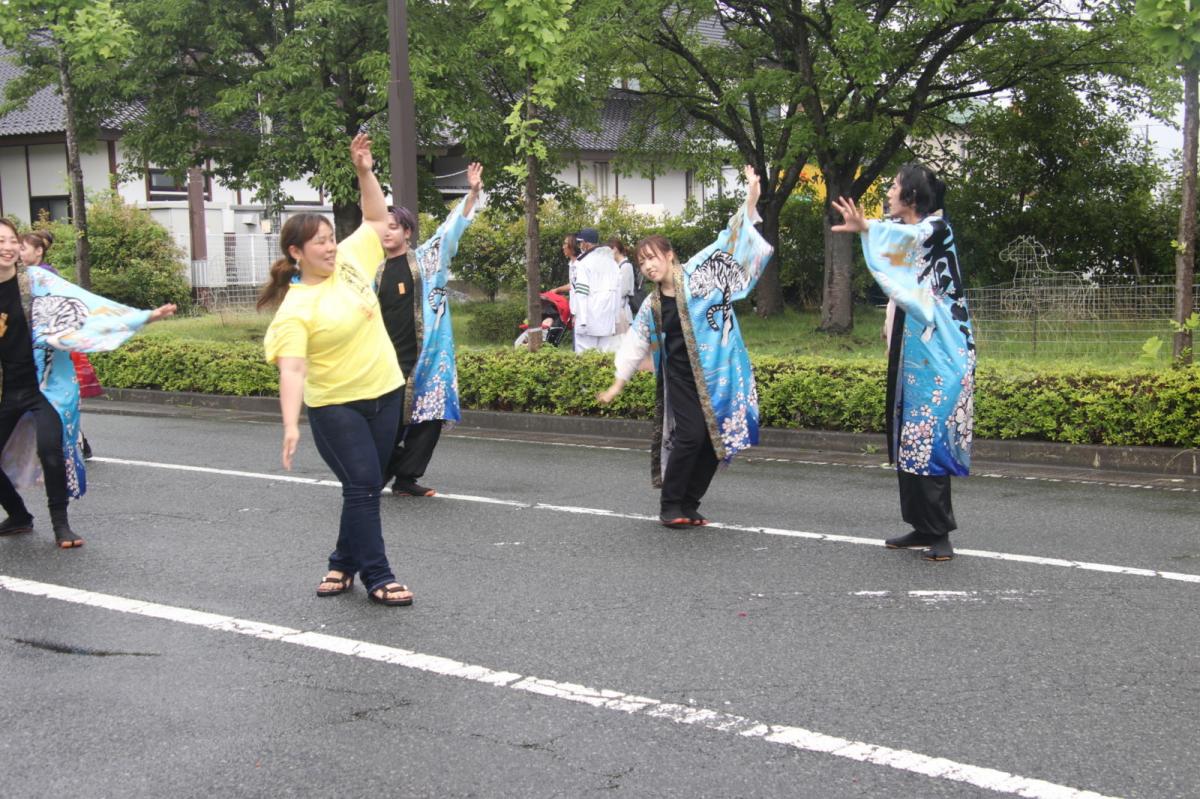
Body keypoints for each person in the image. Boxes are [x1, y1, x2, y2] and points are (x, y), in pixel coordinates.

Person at [260, 133, 413, 606]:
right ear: (296, 254)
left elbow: (375, 216)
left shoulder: (349, 261)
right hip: (336, 407)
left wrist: (365, 170)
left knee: (363, 484)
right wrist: (290, 424)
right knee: (365, 485)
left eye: (330, 239)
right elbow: (293, 368)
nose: (329, 247)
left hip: (386, 392)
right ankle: (378, 575)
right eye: (319, 244)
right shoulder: (295, 309)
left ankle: (341, 562)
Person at [597, 166, 773, 527]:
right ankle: (670, 504)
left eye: (653, 257)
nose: (647, 266)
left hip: (719, 373)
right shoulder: (651, 305)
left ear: (670, 255)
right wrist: (618, 381)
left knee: (716, 439)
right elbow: (635, 342)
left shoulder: (701, 274)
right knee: (691, 436)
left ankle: (690, 503)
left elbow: (731, 237)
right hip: (680, 377)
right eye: (642, 260)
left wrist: (751, 197)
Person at [0, 219, 176, 548]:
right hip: (7, 389)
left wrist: (142, 316)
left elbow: (87, 310)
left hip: (47, 386)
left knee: (51, 450)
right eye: (1, 241)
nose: (8, 247)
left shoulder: (37, 282)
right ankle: (19, 515)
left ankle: (61, 525)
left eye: (11, 240)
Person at [831, 163, 974, 562]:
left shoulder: (937, 229)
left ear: (911, 197)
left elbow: (910, 238)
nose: (889, 192)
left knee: (930, 433)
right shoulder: (917, 235)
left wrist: (867, 228)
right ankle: (919, 525)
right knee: (908, 433)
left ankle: (941, 532)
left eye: (894, 187)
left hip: (943, 350)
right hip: (913, 347)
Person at [376, 162, 483, 497]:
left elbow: (451, 229)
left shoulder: (428, 260)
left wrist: (473, 193)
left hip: (428, 356)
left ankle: (406, 479)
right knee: (385, 424)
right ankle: (378, 472)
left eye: (394, 227)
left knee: (430, 418)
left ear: (407, 232)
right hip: (385, 360)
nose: (387, 232)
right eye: (384, 226)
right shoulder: (374, 271)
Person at [19, 230, 101, 459]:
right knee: (49, 396)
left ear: (39, 251)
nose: (18, 252)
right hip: (38, 344)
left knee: (48, 395)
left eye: (23, 248)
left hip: (45, 346)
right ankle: (72, 441)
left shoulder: (44, 276)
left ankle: (72, 442)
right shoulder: (28, 274)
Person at [569, 227, 622, 352]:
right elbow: (617, 293)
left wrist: (580, 319)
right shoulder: (613, 263)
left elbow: (581, 293)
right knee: (605, 359)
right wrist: (616, 319)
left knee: (584, 360)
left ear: (586, 244)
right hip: (608, 321)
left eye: (580, 242)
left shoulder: (583, 263)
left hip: (588, 320)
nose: (580, 245)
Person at [609, 237, 637, 334]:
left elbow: (623, 291)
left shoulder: (626, 266)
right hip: (617, 312)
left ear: (615, 249)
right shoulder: (617, 266)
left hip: (623, 313)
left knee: (622, 344)